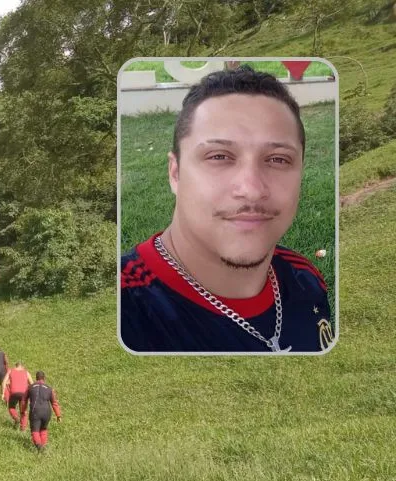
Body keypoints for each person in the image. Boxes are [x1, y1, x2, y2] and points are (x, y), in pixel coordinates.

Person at [120, 65, 333, 353]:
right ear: (175, 173)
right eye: (219, 156)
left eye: (278, 159)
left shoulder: (307, 281)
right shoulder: (126, 304)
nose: (251, 189)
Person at [20, 371, 62, 452]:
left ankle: (39, 446)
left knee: (35, 430)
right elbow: (54, 403)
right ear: (44, 378)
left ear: (36, 378)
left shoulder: (30, 387)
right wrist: (58, 415)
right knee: (43, 428)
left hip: (35, 411)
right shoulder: (49, 388)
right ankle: (43, 446)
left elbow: (23, 401)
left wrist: (23, 411)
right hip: (47, 412)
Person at [1, 361, 33, 429]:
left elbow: (3, 383)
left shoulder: (10, 371)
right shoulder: (26, 372)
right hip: (24, 394)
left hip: (14, 393)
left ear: (16, 366)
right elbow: (32, 384)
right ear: (22, 366)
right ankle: (23, 428)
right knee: (24, 411)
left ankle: (16, 418)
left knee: (11, 407)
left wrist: (3, 393)